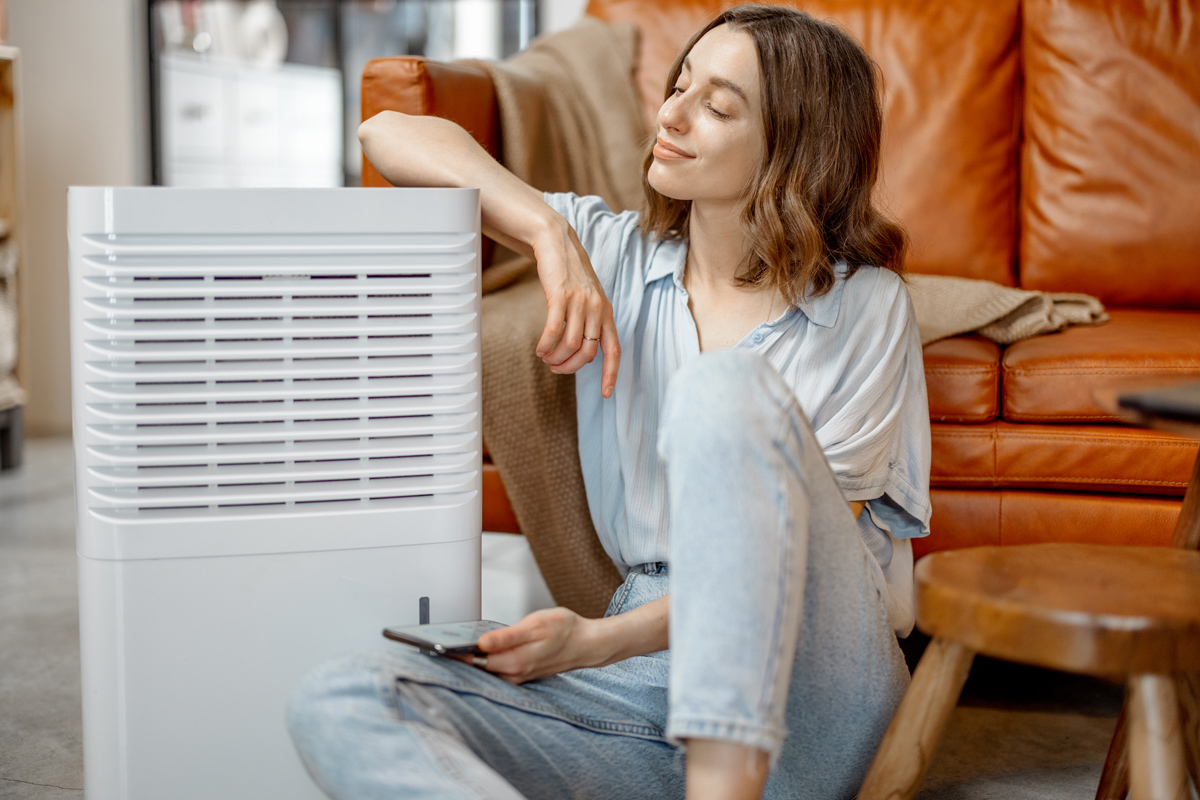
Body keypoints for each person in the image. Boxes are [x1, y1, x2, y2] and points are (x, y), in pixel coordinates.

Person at [288, 5, 931, 799]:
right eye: (679, 85)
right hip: (642, 682)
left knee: (722, 387)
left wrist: (596, 641)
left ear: (794, 148)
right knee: (345, 696)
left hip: (813, 679)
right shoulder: (615, 255)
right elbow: (388, 133)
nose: (671, 113)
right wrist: (546, 235)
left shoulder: (866, 307)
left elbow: (786, 575)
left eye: (718, 106)